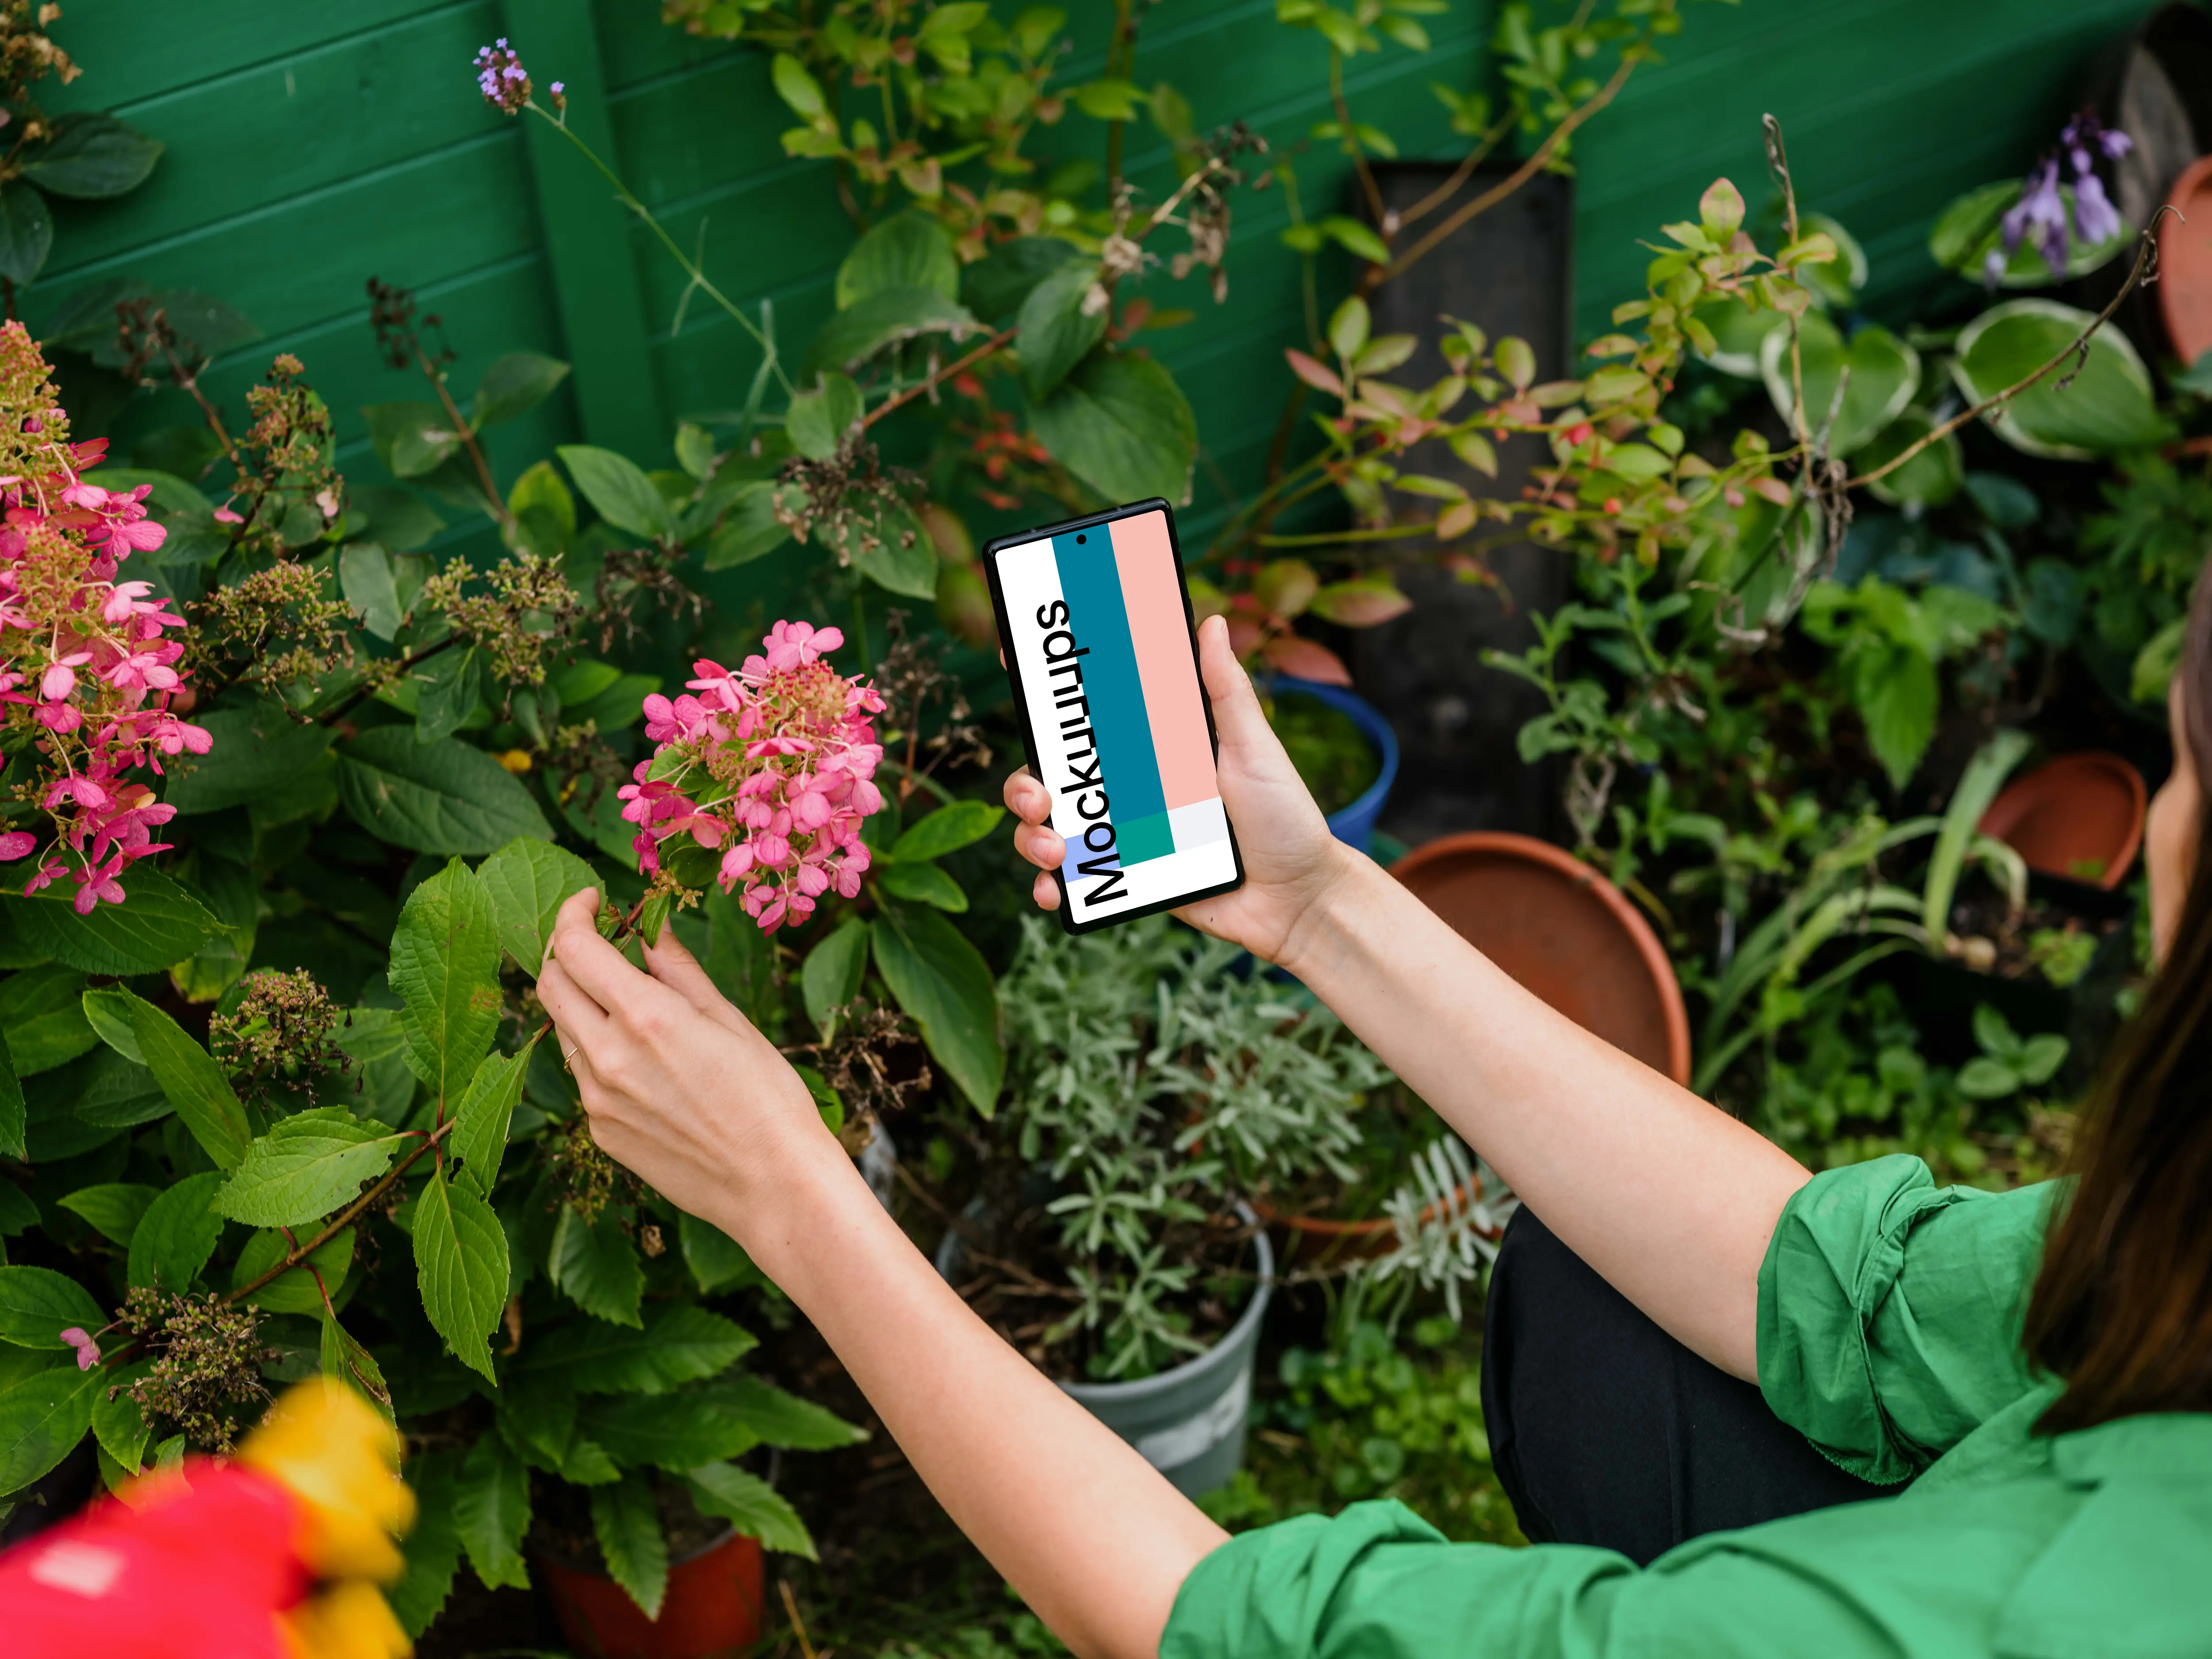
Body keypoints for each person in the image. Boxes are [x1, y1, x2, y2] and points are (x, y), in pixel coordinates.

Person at [537, 576, 2212, 1659]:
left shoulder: (1997, 1612)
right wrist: (1320, 906)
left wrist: (797, 1199)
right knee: (1596, 1300)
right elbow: (1855, 1287)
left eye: (2185, 766)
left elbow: (1243, 1631)